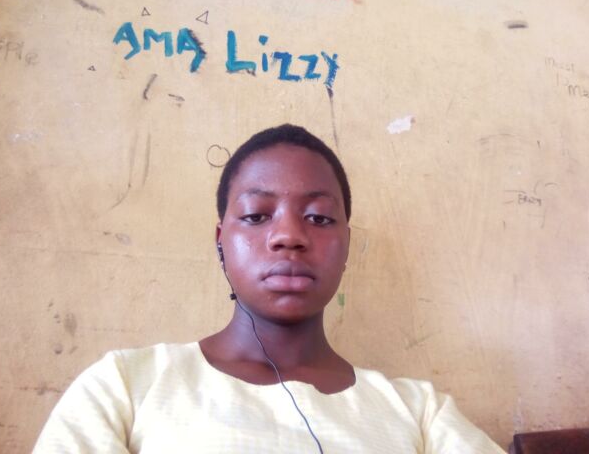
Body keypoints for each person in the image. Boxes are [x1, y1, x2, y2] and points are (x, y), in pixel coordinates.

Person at [33, 124, 506, 453]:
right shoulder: (125, 386)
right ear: (221, 241)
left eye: (318, 218)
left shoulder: (419, 413)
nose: (289, 236)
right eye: (257, 215)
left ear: (346, 245)